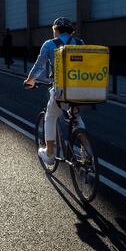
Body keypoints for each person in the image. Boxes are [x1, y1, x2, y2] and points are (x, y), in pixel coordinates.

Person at [23, 17, 85, 165]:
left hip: (60, 91)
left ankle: (50, 153)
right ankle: (87, 153)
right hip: (80, 89)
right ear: (71, 32)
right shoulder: (80, 43)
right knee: (76, 118)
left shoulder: (50, 44)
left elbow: (39, 66)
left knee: (50, 117)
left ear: (55, 30)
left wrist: (30, 81)